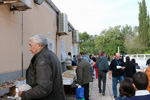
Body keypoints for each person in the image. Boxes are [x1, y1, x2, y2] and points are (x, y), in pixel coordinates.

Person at [19, 34, 65, 100]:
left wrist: (24, 94)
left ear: (39, 45)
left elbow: (44, 88)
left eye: (31, 46)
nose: (29, 49)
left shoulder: (42, 59)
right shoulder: (51, 54)